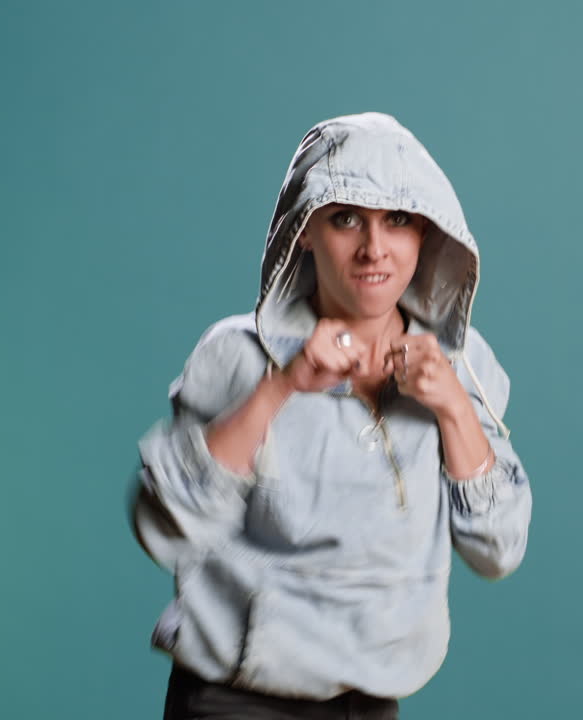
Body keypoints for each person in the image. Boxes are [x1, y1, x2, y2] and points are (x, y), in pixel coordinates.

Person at [130, 111, 532, 719]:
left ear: (426, 234)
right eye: (347, 219)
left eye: (398, 220)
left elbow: (498, 549)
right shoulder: (237, 353)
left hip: (369, 702)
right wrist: (283, 385)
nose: (374, 248)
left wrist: (451, 405)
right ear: (306, 231)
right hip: (234, 700)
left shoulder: (462, 363)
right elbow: (164, 524)